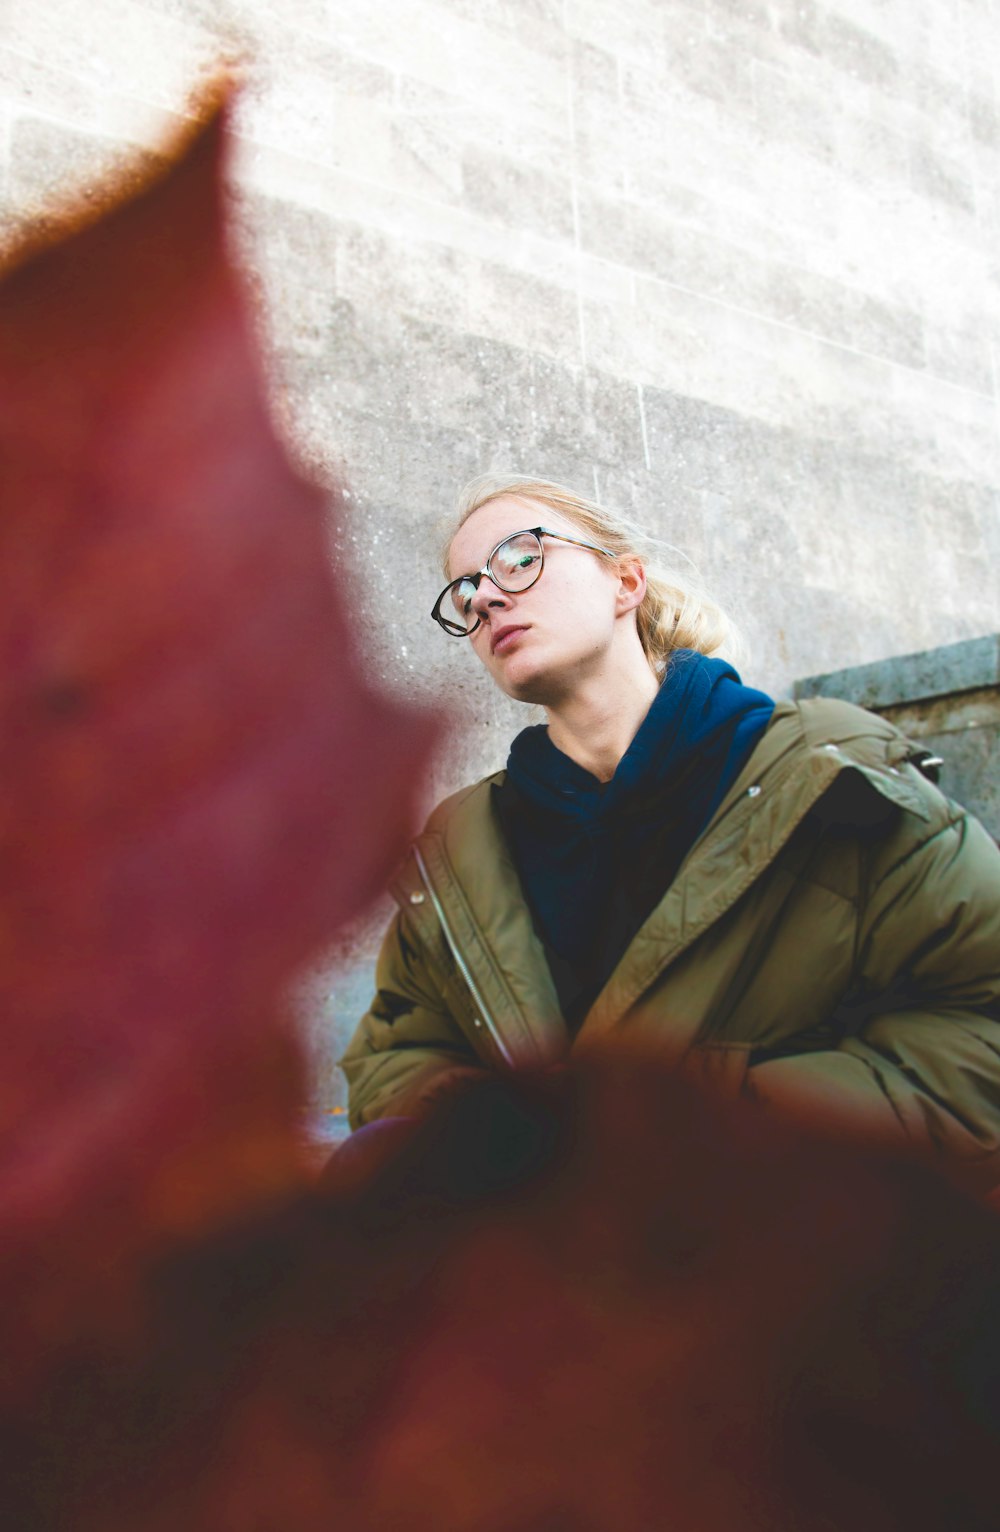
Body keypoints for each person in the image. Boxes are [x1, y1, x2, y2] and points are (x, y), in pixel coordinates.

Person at [341, 474, 1000, 1190]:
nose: (488, 598)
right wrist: (483, 1137)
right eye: (465, 592)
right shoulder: (460, 843)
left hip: (786, 1250)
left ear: (626, 582)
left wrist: (714, 1125)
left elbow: (975, 1025)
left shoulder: (829, 772)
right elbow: (396, 1049)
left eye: (519, 558)